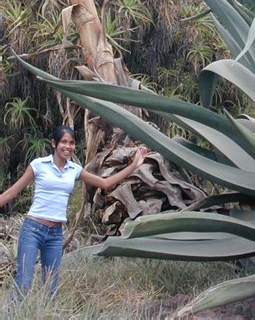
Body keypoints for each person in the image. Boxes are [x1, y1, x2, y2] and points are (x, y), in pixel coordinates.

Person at [0, 125, 148, 296]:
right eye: (63, 142)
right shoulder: (38, 165)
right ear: (54, 144)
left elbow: (106, 183)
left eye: (71, 143)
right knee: (24, 282)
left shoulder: (74, 170)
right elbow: (11, 192)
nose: (68, 146)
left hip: (55, 234)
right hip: (33, 229)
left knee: (51, 286)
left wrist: (134, 165)